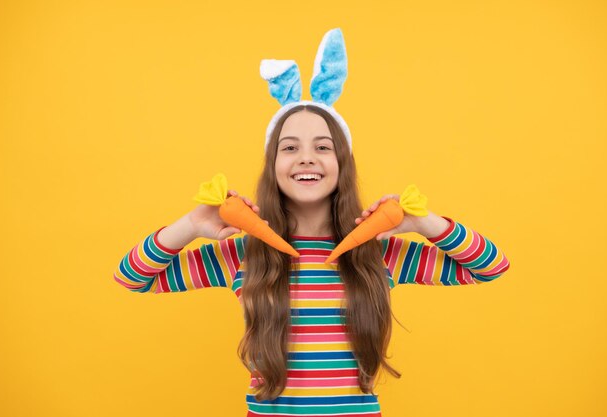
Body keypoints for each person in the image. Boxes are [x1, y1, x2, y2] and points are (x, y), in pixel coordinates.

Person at [113, 28, 510, 417]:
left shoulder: (378, 251)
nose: (306, 157)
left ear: (342, 164)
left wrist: (427, 224)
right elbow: (133, 277)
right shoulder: (243, 252)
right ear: (273, 167)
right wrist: (192, 224)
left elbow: (491, 267)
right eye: (290, 148)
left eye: (323, 147)